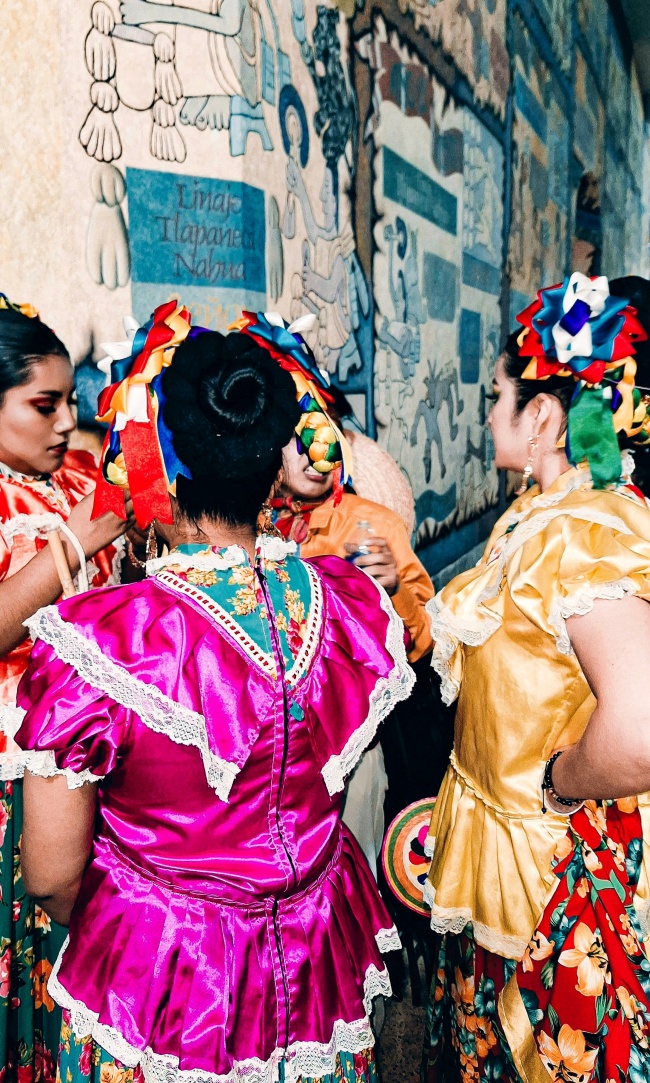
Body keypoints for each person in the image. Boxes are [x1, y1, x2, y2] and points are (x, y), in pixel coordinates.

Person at [14, 301, 415, 1082]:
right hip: (311, 954)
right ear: (274, 463)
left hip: (161, 973)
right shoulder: (349, 605)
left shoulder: (100, 638)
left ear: (163, 458)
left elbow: (53, 876)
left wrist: (145, 918)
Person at [422, 272, 650, 1081]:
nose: (488, 415)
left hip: (552, 884)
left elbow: (639, 729)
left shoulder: (588, 530)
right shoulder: (547, 513)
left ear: (545, 415)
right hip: (509, 861)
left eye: (497, 396)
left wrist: (559, 784)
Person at [0, 295, 130, 1080]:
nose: (63, 422)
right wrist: (73, 545)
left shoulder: (78, 475)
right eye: (43, 404)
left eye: (71, 402)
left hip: (89, 766)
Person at [253, 313, 433, 876]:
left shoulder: (371, 522)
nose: (312, 452)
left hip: (351, 758)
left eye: (322, 431)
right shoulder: (243, 525)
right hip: (264, 769)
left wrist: (394, 591)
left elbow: (423, 645)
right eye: (294, 434)